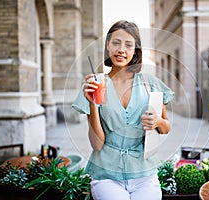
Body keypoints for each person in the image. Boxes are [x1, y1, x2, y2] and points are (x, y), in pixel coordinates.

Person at [72, 20, 174, 200]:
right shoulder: (96, 84)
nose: (121, 50)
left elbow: (166, 127)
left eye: (128, 45)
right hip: (106, 175)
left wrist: (157, 121)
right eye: (116, 43)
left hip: (145, 175)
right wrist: (92, 104)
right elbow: (97, 145)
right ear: (107, 46)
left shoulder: (149, 83)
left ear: (136, 50)